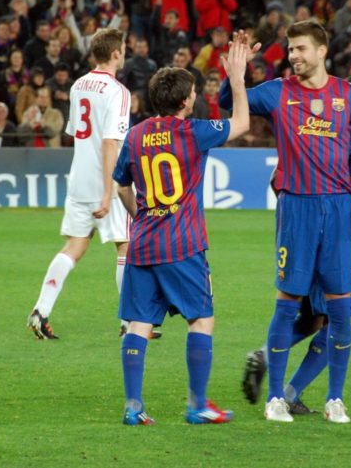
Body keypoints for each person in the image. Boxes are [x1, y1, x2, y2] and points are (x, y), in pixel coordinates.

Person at [219, 21, 351, 424]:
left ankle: (335, 399)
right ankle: (276, 398)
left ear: (322, 50)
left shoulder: (346, 94)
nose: (293, 56)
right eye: (290, 49)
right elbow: (231, 101)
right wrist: (236, 75)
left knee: (341, 310)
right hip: (296, 209)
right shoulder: (278, 92)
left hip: (338, 211)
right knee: (288, 302)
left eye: (300, 49)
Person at [113, 33, 250, 426]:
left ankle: (133, 406)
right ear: (185, 100)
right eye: (192, 92)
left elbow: (121, 184)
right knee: (201, 318)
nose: (195, 97)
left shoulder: (136, 135)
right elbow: (241, 123)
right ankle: (197, 405)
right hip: (182, 244)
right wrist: (236, 78)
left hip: (142, 244)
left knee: (139, 323)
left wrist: (140, 214)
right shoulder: (193, 132)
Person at [26, 28, 133, 340]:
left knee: (74, 246)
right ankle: (130, 322)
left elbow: (77, 133)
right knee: (125, 246)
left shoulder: (77, 86)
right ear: (115, 53)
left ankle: (40, 311)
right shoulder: (118, 91)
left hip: (79, 178)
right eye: (123, 49)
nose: (124, 53)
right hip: (105, 180)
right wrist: (108, 190)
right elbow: (110, 143)